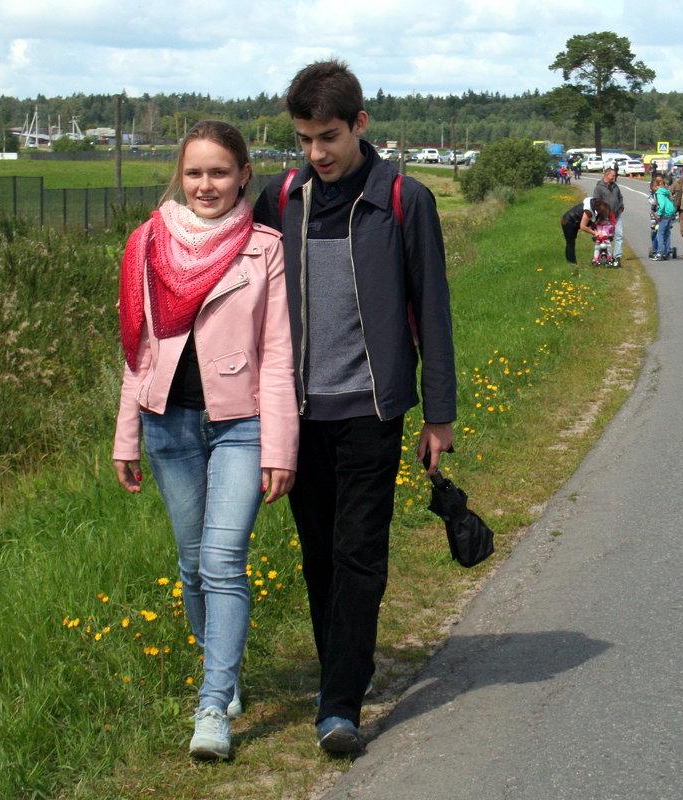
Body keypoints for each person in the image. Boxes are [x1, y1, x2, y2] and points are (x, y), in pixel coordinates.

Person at [252, 59, 457, 756]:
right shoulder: (279, 198)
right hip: (298, 413)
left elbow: (433, 310)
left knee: (359, 553)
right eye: (305, 139)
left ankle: (339, 704)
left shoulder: (404, 198)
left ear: (360, 124)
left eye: (328, 137)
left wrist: (439, 414)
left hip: (372, 408)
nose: (317, 153)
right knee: (318, 557)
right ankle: (343, 673)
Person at [113, 120, 298, 761]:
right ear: (180, 176)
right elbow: (137, 350)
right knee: (192, 566)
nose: (206, 185)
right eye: (195, 172)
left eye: (220, 172)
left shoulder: (265, 248)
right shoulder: (147, 245)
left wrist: (281, 448)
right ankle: (225, 671)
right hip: (167, 424)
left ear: (244, 175)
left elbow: (278, 357)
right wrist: (125, 436)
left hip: (241, 425)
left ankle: (213, 705)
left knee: (222, 563)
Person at [560, 196, 611, 265]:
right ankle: (572, 263)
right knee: (570, 242)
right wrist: (595, 232)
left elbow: (593, 222)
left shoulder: (596, 207)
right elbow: (583, 226)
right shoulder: (588, 211)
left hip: (576, 222)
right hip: (568, 222)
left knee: (572, 241)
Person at [592, 166, 624, 266]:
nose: (614, 177)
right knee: (605, 237)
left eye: (615, 175)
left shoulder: (615, 186)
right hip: (605, 217)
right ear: (607, 175)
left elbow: (620, 197)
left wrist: (621, 207)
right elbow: (596, 201)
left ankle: (617, 256)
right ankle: (602, 255)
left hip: (616, 215)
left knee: (619, 235)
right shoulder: (599, 187)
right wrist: (601, 214)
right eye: (613, 175)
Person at [649, 176, 676, 260]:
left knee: (660, 234)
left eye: (652, 188)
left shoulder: (659, 193)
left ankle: (659, 252)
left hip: (664, 214)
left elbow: (662, 204)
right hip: (670, 213)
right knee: (667, 233)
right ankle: (667, 251)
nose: (652, 190)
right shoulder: (666, 192)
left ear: (655, 186)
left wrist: (659, 214)